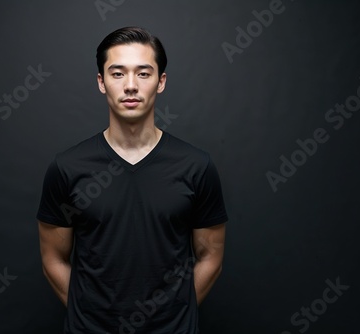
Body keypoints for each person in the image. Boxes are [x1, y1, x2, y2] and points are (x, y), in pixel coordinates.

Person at [37, 26, 228, 334]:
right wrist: (89, 317)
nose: (130, 86)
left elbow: (211, 256)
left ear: (161, 82)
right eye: (117, 73)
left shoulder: (196, 166)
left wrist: (176, 317)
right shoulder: (67, 168)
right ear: (101, 82)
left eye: (143, 73)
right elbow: (52, 258)